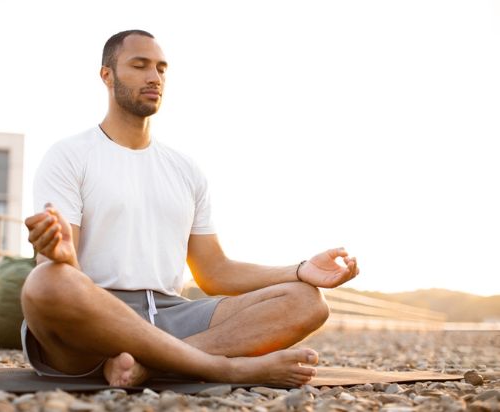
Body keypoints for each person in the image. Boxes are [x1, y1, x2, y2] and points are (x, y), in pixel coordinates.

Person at [22, 29, 359, 388]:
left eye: (161, 68)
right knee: (46, 282)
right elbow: (64, 277)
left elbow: (214, 272)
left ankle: (149, 366)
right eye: (139, 66)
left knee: (308, 301)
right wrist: (62, 258)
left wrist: (302, 270)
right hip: (97, 320)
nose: (154, 77)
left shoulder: (184, 169)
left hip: (172, 312)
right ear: (107, 75)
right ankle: (223, 369)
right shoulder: (69, 155)